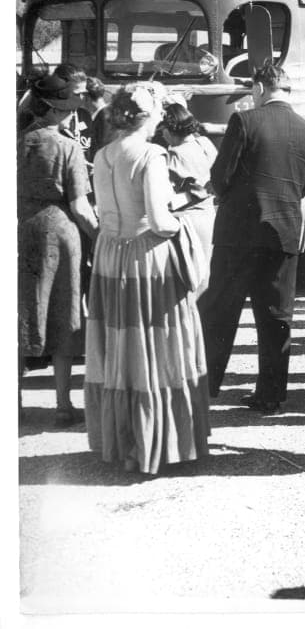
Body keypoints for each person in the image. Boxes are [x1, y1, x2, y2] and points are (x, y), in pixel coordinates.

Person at [84, 83, 210, 473]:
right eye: (157, 112)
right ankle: (156, 441)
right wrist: (183, 220)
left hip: (110, 255)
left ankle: (121, 441)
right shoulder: (152, 154)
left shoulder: (103, 154)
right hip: (146, 258)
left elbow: (104, 210)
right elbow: (159, 220)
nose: (160, 119)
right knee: (157, 345)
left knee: (120, 348)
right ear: (147, 115)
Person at [200, 64, 305, 415]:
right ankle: (270, 394)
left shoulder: (245, 121)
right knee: (276, 317)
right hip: (283, 233)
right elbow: (303, 185)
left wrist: (222, 192)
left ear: (259, 87)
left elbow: (221, 174)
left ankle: (206, 386)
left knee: (221, 311)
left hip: (238, 232)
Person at [18, 74, 99, 426]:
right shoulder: (68, 148)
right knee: (64, 314)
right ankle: (63, 406)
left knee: (20, 315)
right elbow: (80, 206)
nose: (70, 116)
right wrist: (99, 236)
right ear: (53, 109)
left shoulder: (16, 141)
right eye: (66, 110)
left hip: (20, 230)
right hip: (60, 234)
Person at [159, 102, 219, 283]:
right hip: (209, 217)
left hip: (187, 220)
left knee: (188, 275)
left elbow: (172, 195)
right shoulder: (204, 143)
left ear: (169, 131)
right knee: (205, 273)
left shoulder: (174, 155)